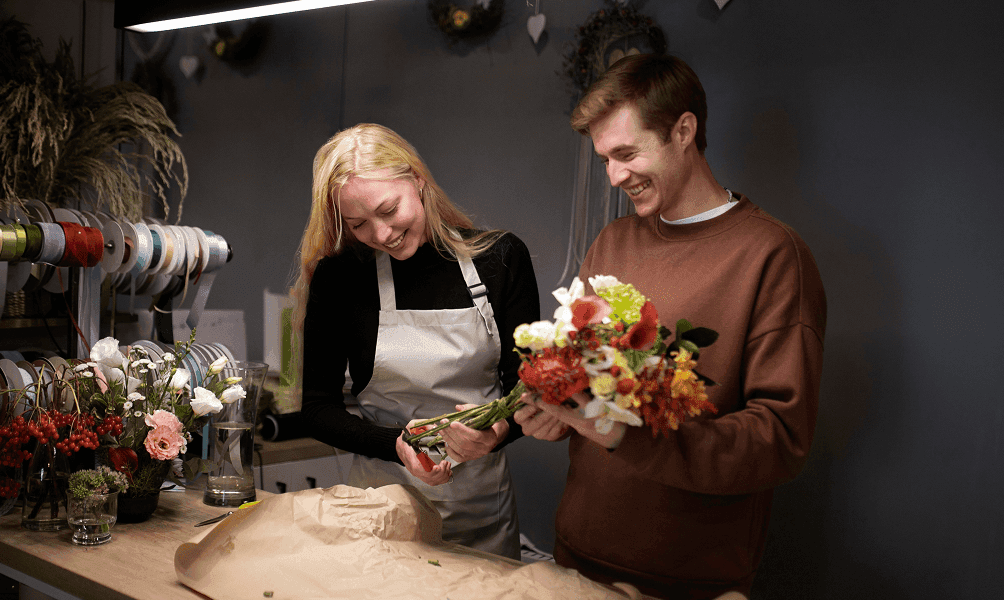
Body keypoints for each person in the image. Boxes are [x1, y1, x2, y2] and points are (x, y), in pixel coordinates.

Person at [514, 54, 827, 598]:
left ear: (684, 131)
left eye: (627, 153)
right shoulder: (613, 241)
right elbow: (583, 378)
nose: (614, 176)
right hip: (578, 554)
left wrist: (623, 434)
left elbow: (778, 439)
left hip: (692, 577)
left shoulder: (772, 256)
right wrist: (559, 416)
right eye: (605, 159)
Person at [289, 123, 540, 560]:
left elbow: (532, 390)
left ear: (418, 181)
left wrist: (496, 431)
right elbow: (316, 409)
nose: (381, 234)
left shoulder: (500, 259)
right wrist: (397, 445)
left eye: (389, 210)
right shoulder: (342, 277)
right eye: (359, 223)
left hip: (480, 513)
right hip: (379, 511)